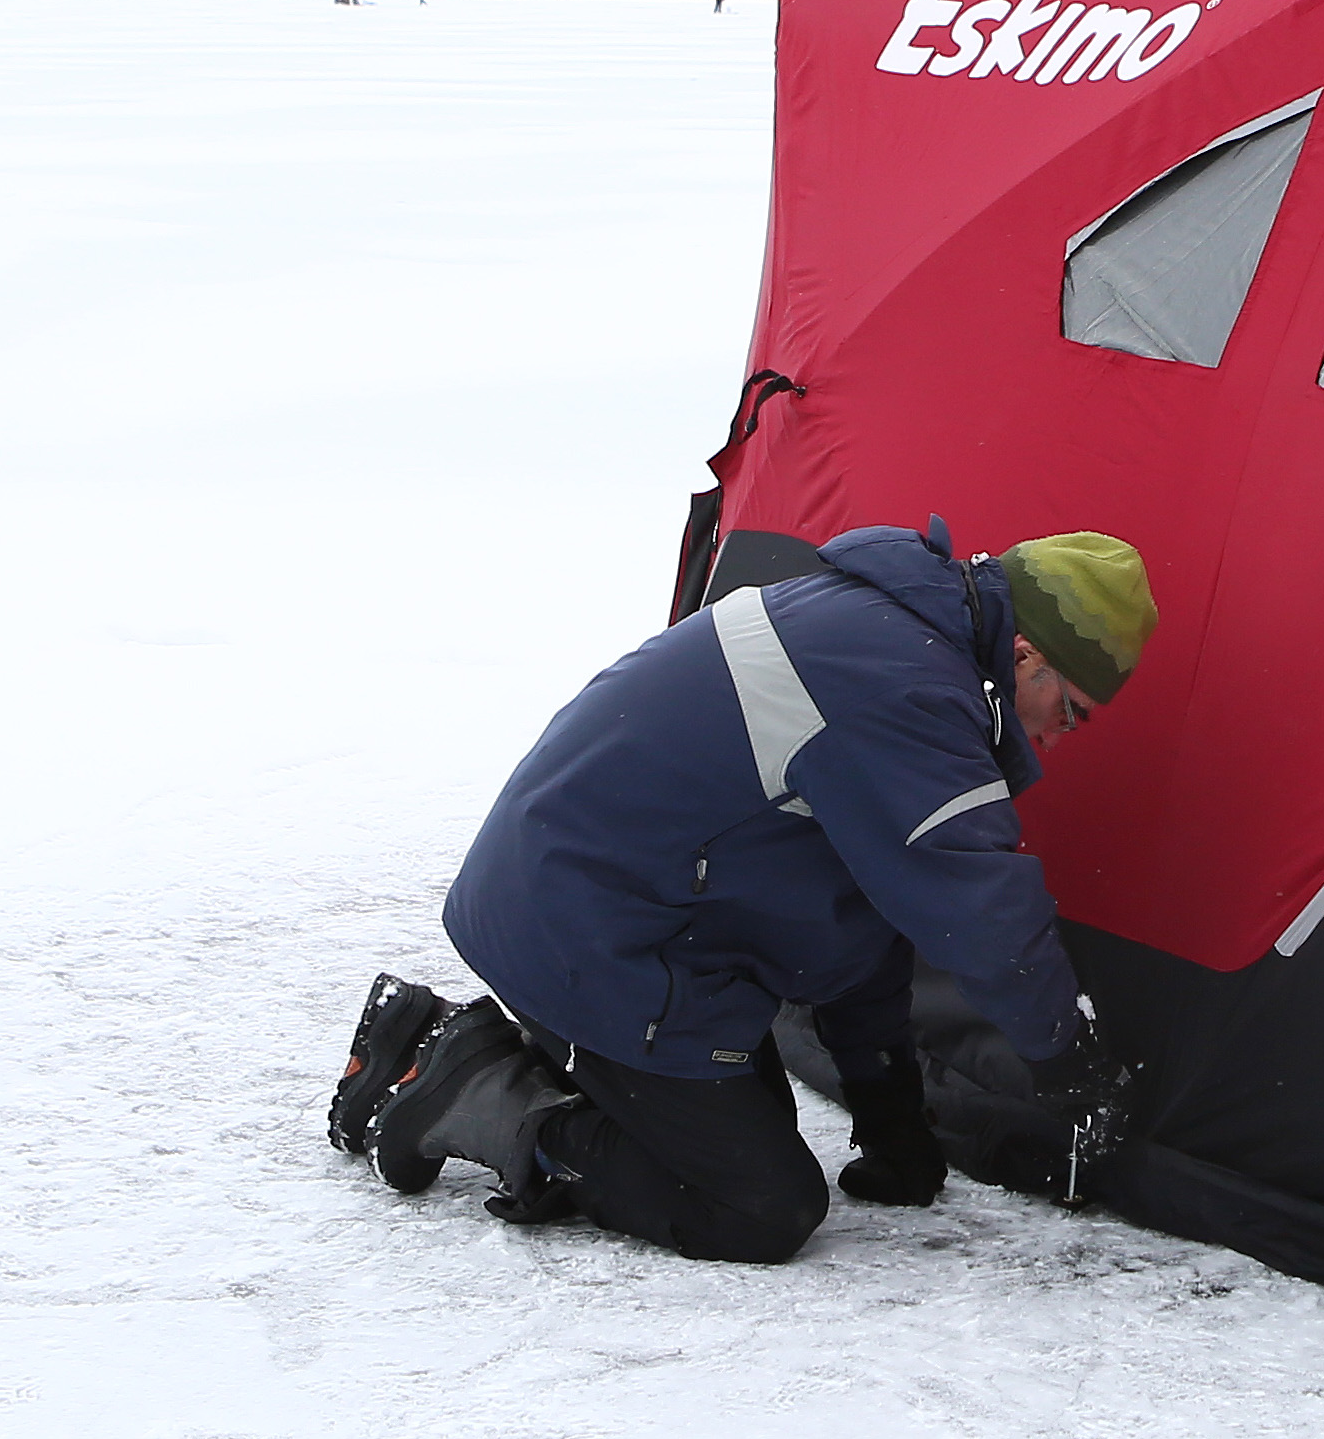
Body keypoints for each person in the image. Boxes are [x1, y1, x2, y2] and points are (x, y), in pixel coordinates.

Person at [326, 522, 1153, 1263]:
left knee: (740, 1126)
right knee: (757, 1206)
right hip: (589, 931)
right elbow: (977, 906)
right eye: (1068, 711)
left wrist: (887, 1107)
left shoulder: (880, 631)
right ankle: (473, 1093)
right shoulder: (905, 690)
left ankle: (437, 1050)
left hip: (607, 903)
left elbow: (857, 908)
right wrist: (1066, 1060)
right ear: (1024, 657)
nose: (1055, 738)